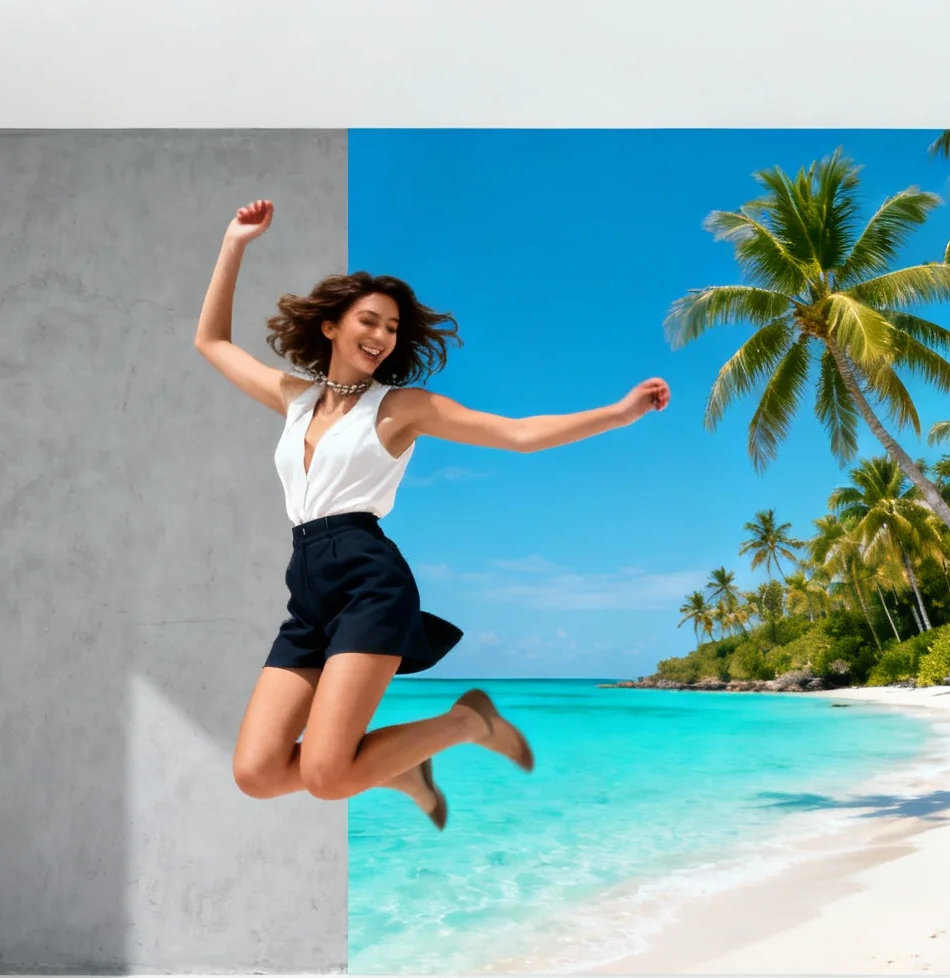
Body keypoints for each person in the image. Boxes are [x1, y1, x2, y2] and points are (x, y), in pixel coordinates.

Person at [192, 198, 670, 830]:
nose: (381, 337)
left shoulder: (401, 407)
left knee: (328, 777)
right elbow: (211, 341)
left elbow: (519, 434)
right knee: (256, 773)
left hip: (367, 580)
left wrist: (619, 413)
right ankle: (401, 769)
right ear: (330, 326)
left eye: (391, 328)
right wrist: (234, 242)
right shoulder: (296, 398)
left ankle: (467, 722)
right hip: (306, 586)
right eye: (369, 321)